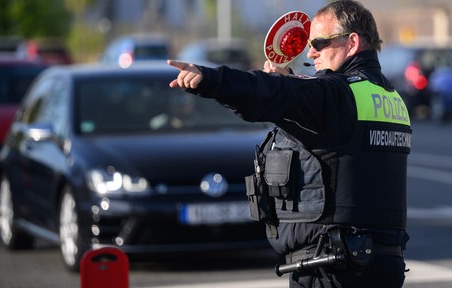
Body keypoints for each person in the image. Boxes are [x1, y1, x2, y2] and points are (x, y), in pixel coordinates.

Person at [167, 0, 411, 287]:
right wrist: (290, 86)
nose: (311, 52)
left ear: (352, 42)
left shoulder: (339, 97)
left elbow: (274, 93)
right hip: (380, 263)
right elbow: (319, 111)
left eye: (319, 43)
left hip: (334, 270)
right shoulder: (388, 97)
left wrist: (211, 79)